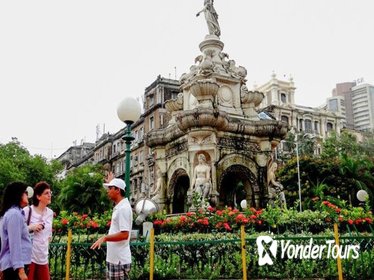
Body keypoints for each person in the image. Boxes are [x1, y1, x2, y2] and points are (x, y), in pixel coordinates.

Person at [91, 178, 133, 280]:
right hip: (115, 259)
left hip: (119, 260)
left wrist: (105, 238)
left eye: (110, 188)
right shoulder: (120, 207)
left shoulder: (123, 209)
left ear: (118, 190)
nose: (108, 191)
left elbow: (124, 234)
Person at [0, 182, 32, 280]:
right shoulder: (14, 214)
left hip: (12, 266)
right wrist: (20, 270)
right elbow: (15, 243)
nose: (28, 195)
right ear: (18, 194)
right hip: (14, 268)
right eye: (25, 192)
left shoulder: (15, 213)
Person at [23, 181, 53, 280]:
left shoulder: (50, 213)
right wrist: (31, 227)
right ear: (38, 196)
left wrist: (48, 239)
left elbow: (49, 234)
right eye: (46, 193)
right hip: (29, 257)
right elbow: (17, 231)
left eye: (50, 193)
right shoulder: (27, 211)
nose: (49, 195)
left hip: (43, 257)